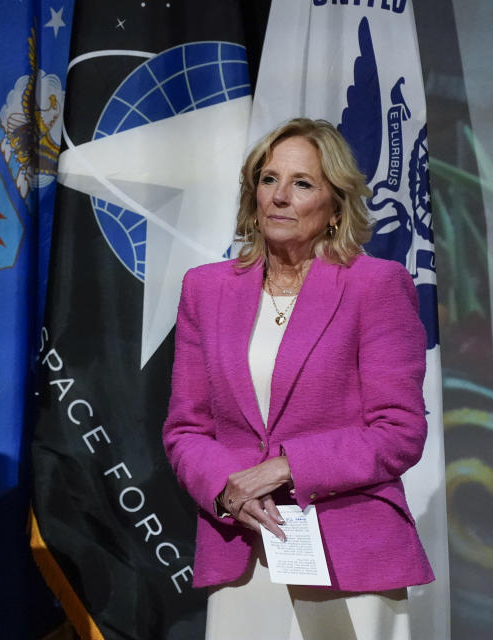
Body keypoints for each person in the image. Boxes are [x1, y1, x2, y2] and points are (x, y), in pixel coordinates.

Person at [162, 118, 433, 639]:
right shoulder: (205, 289)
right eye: (268, 179)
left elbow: (398, 432)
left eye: (302, 183)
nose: (280, 197)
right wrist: (227, 488)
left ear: (336, 205)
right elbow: (185, 429)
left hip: (351, 550)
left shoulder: (375, 285)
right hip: (242, 549)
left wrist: (283, 468)